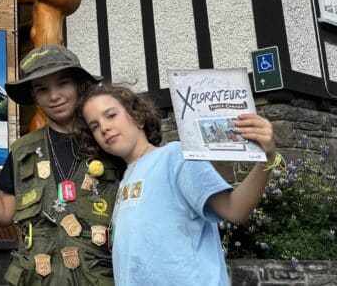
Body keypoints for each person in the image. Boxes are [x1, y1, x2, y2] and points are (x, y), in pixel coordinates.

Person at [0, 44, 121, 285]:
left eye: (63, 83)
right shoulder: (22, 150)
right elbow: (5, 213)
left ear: (80, 85)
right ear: (34, 96)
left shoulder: (108, 140)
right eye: (43, 89)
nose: (54, 95)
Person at [78, 85, 279, 286]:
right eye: (95, 126)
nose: (104, 127)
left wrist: (267, 159)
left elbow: (234, 209)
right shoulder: (123, 179)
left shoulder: (176, 156)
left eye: (111, 115)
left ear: (138, 117)